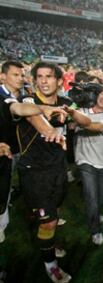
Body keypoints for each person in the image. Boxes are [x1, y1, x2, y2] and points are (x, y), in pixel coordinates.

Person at [17, 62, 91, 283]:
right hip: (35, 171)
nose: (43, 81)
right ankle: (51, 266)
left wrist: (73, 114)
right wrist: (51, 130)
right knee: (48, 221)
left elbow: (86, 121)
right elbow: (35, 119)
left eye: (49, 76)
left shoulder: (65, 103)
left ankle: (47, 240)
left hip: (58, 168)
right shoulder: (29, 101)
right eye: (39, 76)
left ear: (60, 81)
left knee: (54, 213)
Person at [0, 60, 67, 244]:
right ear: (2, 76)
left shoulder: (22, 96)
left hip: (27, 154)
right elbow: (23, 110)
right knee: (3, 189)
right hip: (15, 156)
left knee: (8, 188)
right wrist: (44, 111)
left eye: (22, 75)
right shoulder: (18, 99)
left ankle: (37, 216)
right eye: (15, 74)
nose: (21, 78)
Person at [74, 85, 103, 245]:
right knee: (91, 197)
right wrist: (74, 114)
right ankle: (96, 230)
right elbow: (71, 125)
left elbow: (97, 127)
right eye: (102, 94)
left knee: (101, 196)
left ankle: (96, 212)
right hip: (85, 160)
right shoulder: (82, 110)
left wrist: (76, 116)